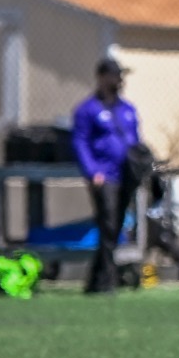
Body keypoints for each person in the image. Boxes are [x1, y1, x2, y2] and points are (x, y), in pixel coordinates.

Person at [72, 56, 143, 294]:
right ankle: (106, 280)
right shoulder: (88, 110)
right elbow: (81, 142)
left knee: (116, 226)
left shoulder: (127, 109)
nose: (119, 81)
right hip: (105, 176)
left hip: (127, 175)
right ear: (102, 77)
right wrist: (93, 171)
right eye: (115, 75)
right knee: (109, 225)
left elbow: (135, 141)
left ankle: (96, 281)